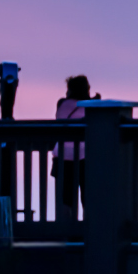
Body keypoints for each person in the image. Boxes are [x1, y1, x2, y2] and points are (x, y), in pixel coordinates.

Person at [52, 74, 92, 217]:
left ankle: (66, 232)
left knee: (65, 199)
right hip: (84, 156)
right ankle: (90, 231)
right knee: (88, 198)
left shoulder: (62, 104)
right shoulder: (89, 107)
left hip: (61, 155)